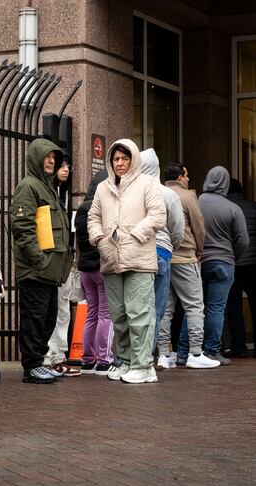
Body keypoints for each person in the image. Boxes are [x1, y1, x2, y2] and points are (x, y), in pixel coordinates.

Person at [88, 139, 166, 384]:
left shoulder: (148, 183)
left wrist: (134, 235)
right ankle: (127, 362)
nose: (120, 163)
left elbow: (157, 216)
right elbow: (93, 216)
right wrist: (98, 238)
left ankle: (144, 365)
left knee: (139, 313)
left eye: (125, 158)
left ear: (133, 159)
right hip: (111, 259)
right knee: (119, 315)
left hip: (139, 259)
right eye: (116, 159)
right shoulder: (103, 187)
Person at [9, 138, 72, 384]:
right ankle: (32, 366)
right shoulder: (29, 186)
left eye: (53, 158)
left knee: (47, 318)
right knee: (34, 319)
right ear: (36, 158)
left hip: (49, 272)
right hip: (36, 270)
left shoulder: (48, 187)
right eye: (47, 156)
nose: (51, 161)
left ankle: (39, 361)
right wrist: (40, 260)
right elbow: (22, 229)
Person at [157, 163, 219, 369]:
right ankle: (195, 352)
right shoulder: (186, 196)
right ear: (181, 177)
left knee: (166, 309)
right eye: (187, 175)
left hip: (164, 256)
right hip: (184, 256)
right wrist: (199, 251)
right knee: (194, 306)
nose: (189, 179)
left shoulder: (157, 192)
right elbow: (198, 227)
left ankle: (164, 354)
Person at [196, 166, 249, 365]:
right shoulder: (233, 208)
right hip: (224, 262)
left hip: (198, 262)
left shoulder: (196, 202)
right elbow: (243, 241)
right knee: (216, 309)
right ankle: (211, 351)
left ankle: (189, 350)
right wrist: (233, 257)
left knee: (194, 307)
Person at [140, 149, 184, 364]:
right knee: (157, 309)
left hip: (138, 254)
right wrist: (170, 247)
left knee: (136, 308)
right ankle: (148, 355)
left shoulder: (134, 191)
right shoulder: (168, 194)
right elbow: (178, 228)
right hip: (161, 252)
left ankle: (131, 357)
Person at [75, 169, 115, 375]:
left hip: (85, 270)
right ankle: (104, 359)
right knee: (105, 315)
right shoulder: (102, 207)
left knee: (91, 315)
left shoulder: (81, 209)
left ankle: (88, 359)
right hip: (101, 268)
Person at [44, 155, 80, 376]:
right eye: (62, 165)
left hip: (65, 261)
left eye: (69, 166)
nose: (66, 170)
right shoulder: (47, 192)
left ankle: (59, 356)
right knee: (53, 310)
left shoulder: (64, 195)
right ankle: (49, 357)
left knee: (64, 309)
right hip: (51, 261)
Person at [226, 178, 256, 357]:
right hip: (252, 264)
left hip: (232, 263)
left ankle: (239, 346)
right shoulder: (252, 207)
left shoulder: (225, 207)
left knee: (234, 306)